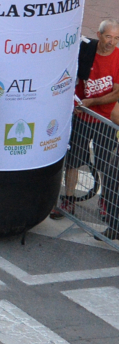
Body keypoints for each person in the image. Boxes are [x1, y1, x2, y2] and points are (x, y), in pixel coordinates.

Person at [59, 19, 119, 235]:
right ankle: (68, 199)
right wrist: (75, 102)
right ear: (99, 34)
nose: (112, 42)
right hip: (82, 118)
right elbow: (70, 77)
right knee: (73, 160)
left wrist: (92, 102)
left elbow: (117, 92)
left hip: (105, 120)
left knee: (105, 164)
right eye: (108, 36)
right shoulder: (86, 52)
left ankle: (105, 201)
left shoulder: (118, 57)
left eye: (116, 38)